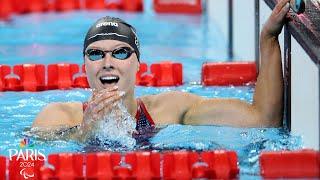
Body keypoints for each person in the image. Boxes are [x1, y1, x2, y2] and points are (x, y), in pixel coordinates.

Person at [32, 0, 290, 137]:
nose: (107, 62)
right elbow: (23, 163)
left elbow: (262, 121)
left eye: (120, 52)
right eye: (96, 53)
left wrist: (268, 40)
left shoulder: (172, 111)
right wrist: (83, 135)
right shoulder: (56, 119)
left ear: (138, 65)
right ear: (84, 66)